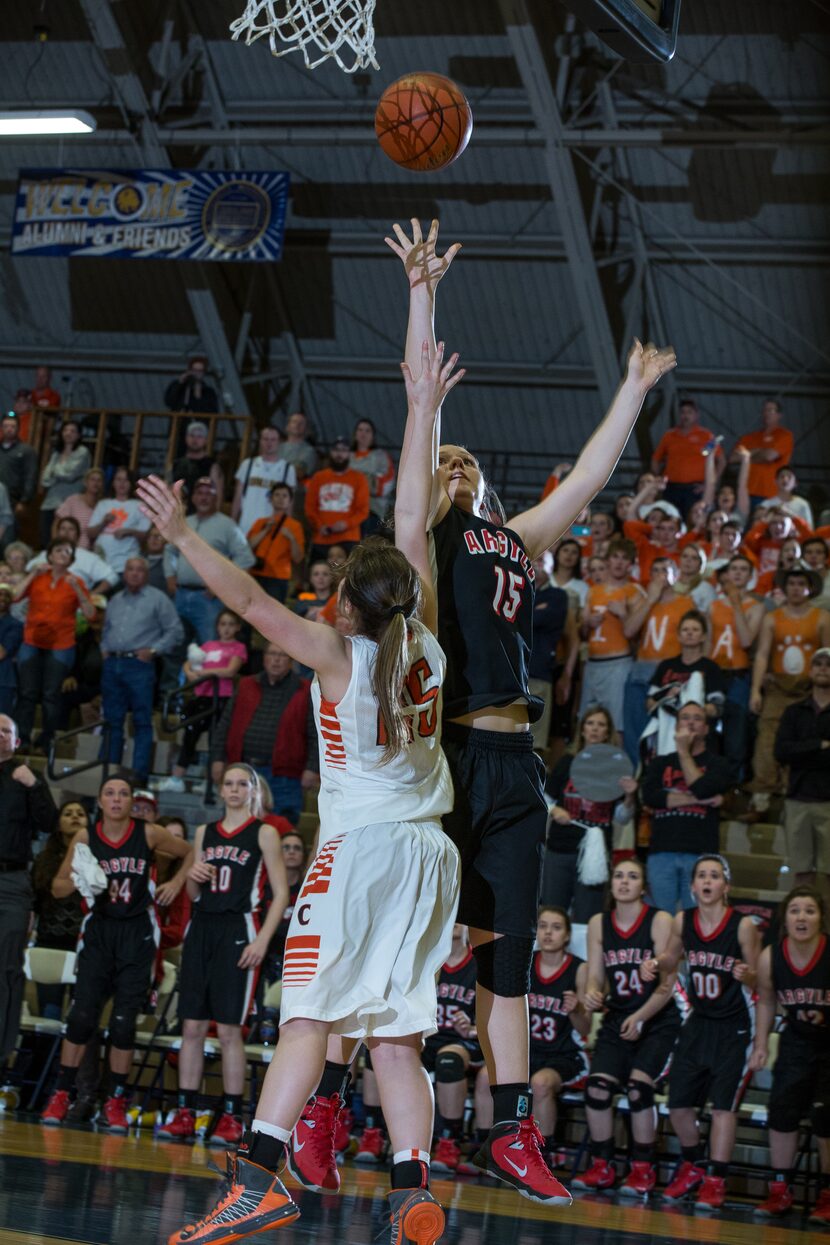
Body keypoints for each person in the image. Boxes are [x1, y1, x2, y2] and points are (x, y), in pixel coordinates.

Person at [137, 341, 463, 1245]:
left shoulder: (337, 653)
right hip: (431, 855)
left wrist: (181, 535)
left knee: (308, 1013)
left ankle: (264, 1171)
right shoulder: (424, 636)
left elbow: (249, 601)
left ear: (348, 608)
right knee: (394, 1033)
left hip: (361, 849)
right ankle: (411, 1191)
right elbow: (408, 513)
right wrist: (422, 403)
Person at [381, 216, 674, 1208]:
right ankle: (349, 1096)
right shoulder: (427, 539)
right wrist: (423, 297)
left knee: (506, 963)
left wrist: (632, 389)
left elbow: (588, 478)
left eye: (467, 463)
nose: (457, 467)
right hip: (451, 758)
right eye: (445, 465)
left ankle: (510, 1133)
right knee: (420, 951)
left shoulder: (514, 536)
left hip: (518, 772)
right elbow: (419, 416)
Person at [40, 773, 193, 1129]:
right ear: (101, 800)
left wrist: (174, 882)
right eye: (110, 793)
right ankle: (62, 1094)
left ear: (130, 801)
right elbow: (58, 888)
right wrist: (81, 879)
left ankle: (116, 1102)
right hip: (98, 933)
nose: (117, 799)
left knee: (123, 1025)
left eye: (123, 793)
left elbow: (190, 854)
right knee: (81, 1018)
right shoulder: (85, 836)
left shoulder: (148, 833)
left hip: (137, 934)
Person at [156, 763, 289, 1148]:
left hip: (239, 929)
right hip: (202, 928)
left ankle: (231, 1117)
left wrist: (262, 939)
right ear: (221, 790)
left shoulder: (264, 833)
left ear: (254, 790)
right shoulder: (204, 832)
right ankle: (185, 1112)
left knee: (230, 1030)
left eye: (241, 784)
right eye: (228, 783)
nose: (234, 790)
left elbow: (280, 893)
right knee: (192, 1027)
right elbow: (194, 895)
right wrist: (193, 881)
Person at [642, 854, 760, 1210]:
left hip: (735, 1025)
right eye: (701, 876)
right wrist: (655, 962)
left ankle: (715, 1180)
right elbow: (671, 957)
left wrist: (747, 975)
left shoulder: (743, 926)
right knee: (677, 1103)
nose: (707, 881)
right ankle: (693, 1163)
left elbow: (759, 978)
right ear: (693, 886)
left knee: (723, 1107)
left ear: (725, 886)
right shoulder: (684, 919)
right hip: (699, 1021)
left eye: (714, 875)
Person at [574, 857, 681, 1195]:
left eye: (632, 876)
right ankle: (602, 1166)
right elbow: (596, 977)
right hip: (619, 1018)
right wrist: (591, 995)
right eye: (619, 876)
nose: (624, 882)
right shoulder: (598, 923)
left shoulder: (659, 920)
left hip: (657, 1019)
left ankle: (643, 1170)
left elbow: (668, 983)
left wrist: (641, 1017)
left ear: (643, 887)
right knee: (597, 1088)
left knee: (638, 1088)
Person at [474, 906, 590, 1166]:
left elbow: (585, 1030)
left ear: (567, 936)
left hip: (564, 1054)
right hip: (526, 1051)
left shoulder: (579, 970)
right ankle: (486, 1147)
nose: (548, 933)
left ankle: (542, 1155)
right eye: (543, 926)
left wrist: (577, 1011)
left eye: (556, 927)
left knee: (540, 1084)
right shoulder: (524, 961)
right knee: (484, 1078)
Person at [749, 886, 830, 1223]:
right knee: (781, 1111)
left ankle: (827, 1195)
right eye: (795, 910)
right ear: (785, 918)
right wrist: (762, 1044)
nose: (802, 917)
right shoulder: (771, 956)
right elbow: (767, 1000)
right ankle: (780, 1190)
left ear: (821, 919)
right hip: (796, 1041)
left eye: (809, 911)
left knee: (826, 1117)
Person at [744, 567, 830, 823]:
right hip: (778, 689)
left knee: (803, 743)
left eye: (800, 583)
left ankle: (789, 799)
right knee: (767, 742)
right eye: (790, 583)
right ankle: (761, 801)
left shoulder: (822, 617)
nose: (794, 588)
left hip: (809, 690)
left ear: (809, 588)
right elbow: (762, 655)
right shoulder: (773, 617)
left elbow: (827, 654)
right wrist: (755, 689)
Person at [0, 714, 56, 1074]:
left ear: (16, 741)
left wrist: (35, 786)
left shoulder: (24, 776)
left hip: (11, 881)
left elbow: (50, 823)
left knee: (6, 969)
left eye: (6, 730)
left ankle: (1, 1057)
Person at [544, 706, 637, 920]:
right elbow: (545, 801)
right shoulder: (566, 763)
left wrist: (631, 796)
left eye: (601, 725)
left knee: (589, 917)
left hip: (596, 854)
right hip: (560, 849)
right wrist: (556, 809)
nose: (595, 729)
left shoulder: (616, 768)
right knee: (551, 912)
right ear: (582, 730)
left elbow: (622, 817)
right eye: (590, 723)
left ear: (608, 732)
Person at [210, 642, 319, 824]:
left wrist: (313, 768)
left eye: (282, 655)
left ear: (292, 661)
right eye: (272, 654)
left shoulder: (306, 690)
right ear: (264, 658)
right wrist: (217, 758)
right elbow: (225, 725)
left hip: (285, 776)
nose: (276, 660)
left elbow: (316, 734)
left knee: (282, 827)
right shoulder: (246, 685)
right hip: (243, 770)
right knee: (238, 824)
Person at [641, 702, 734, 914]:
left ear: (707, 728)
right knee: (661, 918)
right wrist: (701, 800)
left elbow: (701, 788)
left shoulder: (718, 764)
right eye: (685, 717)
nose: (690, 722)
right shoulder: (659, 763)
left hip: (700, 853)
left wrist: (683, 753)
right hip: (661, 851)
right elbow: (650, 797)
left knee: (696, 918)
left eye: (697, 718)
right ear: (676, 726)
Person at [100, 556, 184, 783]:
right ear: (124, 573)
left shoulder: (158, 599)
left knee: (142, 721)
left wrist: (154, 650)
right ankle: (107, 770)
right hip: (112, 663)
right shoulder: (115, 599)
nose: (135, 573)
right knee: (111, 720)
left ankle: (139, 775)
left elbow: (175, 631)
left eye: (140, 570)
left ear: (146, 575)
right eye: (130, 569)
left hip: (139, 665)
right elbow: (106, 629)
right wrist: (104, 648)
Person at [12, 538, 96, 753]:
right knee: (27, 693)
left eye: (67, 551)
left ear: (71, 559)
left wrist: (77, 588)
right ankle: (23, 739)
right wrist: (32, 574)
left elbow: (90, 614)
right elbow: (14, 595)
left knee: (51, 695)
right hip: (32, 640)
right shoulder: (38, 577)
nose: (62, 553)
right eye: (58, 549)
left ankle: (46, 741)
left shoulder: (76, 581)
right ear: (49, 555)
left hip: (61, 644)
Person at [157, 608, 247, 794]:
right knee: (190, 734)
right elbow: (189, 662)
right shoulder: (208, 645)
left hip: (222, 698)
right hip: (203, 696)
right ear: (217, 627)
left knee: (216, 739)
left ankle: (213, 782)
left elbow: (230, 671)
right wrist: (190, 672)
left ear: (237, 627)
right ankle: (177, 777)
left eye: (231, 624)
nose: (226, 629)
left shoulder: (238, 647)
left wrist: (203, 673)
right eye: (223, 624)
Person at [164, 477, 255, 643]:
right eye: (200, 493)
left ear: (216, 498)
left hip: (209, 600)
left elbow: (245, 559)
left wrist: (224, 585)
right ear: (193, 498)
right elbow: (169, 550)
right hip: (180, 594)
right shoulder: (184, 523)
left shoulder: (228, 525)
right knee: (174, 647)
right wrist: (170, 576)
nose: (204, 497)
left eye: (209, 494)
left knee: (209, 646)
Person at [622, 558, 688, 762]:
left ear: (675, 576)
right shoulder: (643, 601)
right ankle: (635, 776)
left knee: (665, 730)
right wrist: (650, 599)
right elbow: (629, 630)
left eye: (665, 571)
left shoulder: (686, 603)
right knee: (634, 728)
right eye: (656, 570)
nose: (660, 575)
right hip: (640, 671)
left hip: (669, 673)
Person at [774, 647, 830, 891]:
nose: (823, 669)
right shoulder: (794, 712)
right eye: (818, 663)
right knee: (801, 875)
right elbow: (782, 752)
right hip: (798, 798)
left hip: (829, 802)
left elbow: (792, 752)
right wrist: (819, 745)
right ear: (810, 670)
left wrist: (803, 752)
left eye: (828, 664)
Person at [580, 537, 644, 733]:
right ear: (608, 560)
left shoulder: (635, 592)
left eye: (624, 558)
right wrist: (587, 622)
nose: (618, 562)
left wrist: (624, 615)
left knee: (615, 725)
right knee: (587, 724)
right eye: (615, 557)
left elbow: (638, 636)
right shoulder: (593, 591)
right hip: (592, 663)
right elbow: (582, 633)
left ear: (631, 565)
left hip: (618, 664)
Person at [709, 554, 765, 778]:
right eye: (734, 569)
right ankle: (712, 780)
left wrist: (735, 603)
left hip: (738, 675)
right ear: (728, 574)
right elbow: (707, 643)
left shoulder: (756, 606)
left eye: (744, 569)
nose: (738, 573)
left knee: (737, 734)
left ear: (751, 576)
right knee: (710, 730)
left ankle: (734, 785)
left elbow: (746, 640)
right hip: (714, 673)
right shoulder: (713, 606)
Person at [31, 801, 88, 1017]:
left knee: (79, 1016)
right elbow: (33, 904)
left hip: (85, 947)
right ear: (58, 823)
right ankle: (43, 1052)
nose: (75, 817)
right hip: (49, 945)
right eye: (68, 813)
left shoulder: (97, 859)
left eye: (81, 813)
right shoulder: (44, 860)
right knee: (49, 1013)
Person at [527, 549, 575, 750]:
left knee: (535, 741)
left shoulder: (558, 596)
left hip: (539, 671)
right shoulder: (519, 589)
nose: (537, 563)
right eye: (534, 559)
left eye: (542, 560)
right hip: (512, 672)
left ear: (551, 567)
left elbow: (529, 619)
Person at [304, 435, 370, 562]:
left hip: (348, 538)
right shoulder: (318, 477)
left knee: (349, 577)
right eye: (336, 450)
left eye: (344, 450)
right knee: (317, 575)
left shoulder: (359, 478)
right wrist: (319, 525)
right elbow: (309, 507)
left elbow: (363, 510)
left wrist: (346, 524)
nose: (339, 454)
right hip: (322, 537)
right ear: (330, 452)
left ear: (350, 454)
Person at [650, 398, 719, 518]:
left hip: (695, 489)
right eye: (683, 412)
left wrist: (709, 484)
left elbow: (721, 461)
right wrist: (658, 478)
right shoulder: (669, 436)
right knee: (669, 518)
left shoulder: (706, 436)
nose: (685, 416)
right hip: (671, 488)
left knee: (693, 519)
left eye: (689, 412)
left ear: (696, 415)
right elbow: (655, 460)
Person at [87, 466, 151, 580]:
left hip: (125, 565)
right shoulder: (103, 504)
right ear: (113, 483)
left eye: (126, 480)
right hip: (101, 562)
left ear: (131, 483)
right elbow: (91, 533)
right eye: (118, 479)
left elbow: (146, 535)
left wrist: (129, 531)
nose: (122, 483)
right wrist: (103, 522)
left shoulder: (140, 505)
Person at [232, 426, 298, 535]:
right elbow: (238, 497)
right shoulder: (247, 464)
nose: (269, 443)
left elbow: (289, 503)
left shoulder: (288, 469)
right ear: (260, 441)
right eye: (265, 439)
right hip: (246, 525)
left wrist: (287, 526)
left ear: (279, 442)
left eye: (273, 440)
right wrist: (233, 521)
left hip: (270, 528)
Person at [247, 483, 305, 603]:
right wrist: (265, 530)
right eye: (277, 495)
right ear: (270, 498)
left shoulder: (295, 526)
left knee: (272, 616)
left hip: (278, 577)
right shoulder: (260, 522)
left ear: (289, 501)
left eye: (285, 496)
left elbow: (298, 558)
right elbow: (247, 547)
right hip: (256, 572)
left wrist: (291, 538)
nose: (280, 499)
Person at [730, 400, 794, 509]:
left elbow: (769, 456)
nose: (767, 413)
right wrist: (758, 452)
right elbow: (732, 458)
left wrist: (748, 455)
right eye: (765, 410)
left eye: (771, 410)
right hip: (747, 492)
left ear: (779, 415)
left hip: (772, 494)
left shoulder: (784, 435)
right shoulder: (749, 438)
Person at [27, 518, 118, 594]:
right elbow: (28, 568)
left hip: (75, 605)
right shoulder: (46, 554)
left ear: (77, 535)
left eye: (71, 529)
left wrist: (91, 596)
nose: (66, 532)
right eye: (63, 528)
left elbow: (112, 576)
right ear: (58, 533)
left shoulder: (88, 557)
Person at [39, 420, 91, 549]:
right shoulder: (56, 453)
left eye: (72, 431)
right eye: (65, 430)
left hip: (69, 502)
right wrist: (58, 473)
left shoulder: (82, 452)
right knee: (45, 539)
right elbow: (45, 479)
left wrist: (54, 472)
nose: (68, 433)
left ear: (79, 435)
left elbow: (70, 475)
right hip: (50, 501)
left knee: (65, 540)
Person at [350, 417, 396, 536]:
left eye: (367, 430)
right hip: (346, 511)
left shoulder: (381, 456)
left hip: (372, 511)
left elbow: (386, 484)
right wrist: (366, 479)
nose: (363, 434)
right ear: (355, 434)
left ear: (373, 435)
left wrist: (354, 481)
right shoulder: (345, 456)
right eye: (360, 430)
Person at [0, 414, 38, 544]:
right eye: (6, 426)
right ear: (1, 428)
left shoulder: (27, 450)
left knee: (7, 539)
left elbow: (30, 476)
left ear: (18, 429)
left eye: (13, 426)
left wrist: (24, 501)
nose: (9, 429)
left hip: (13, 501)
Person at [170, 421, 224, 508]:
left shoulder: (212, 466)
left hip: (202, 516)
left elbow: (218, 497)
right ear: (186, 438)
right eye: (192, 436)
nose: (195, 440)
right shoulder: (176, 464)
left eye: (199, 436)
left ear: (206, 440)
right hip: (179, 514)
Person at [54, 467, 106, 549]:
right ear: (85, 482)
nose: (95, 483)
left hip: (91, 552)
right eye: (92, 480)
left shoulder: (104, 506)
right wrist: (55, 545)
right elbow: (57, 523)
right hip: (70, 549)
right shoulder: (73, 500)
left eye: (99, 480)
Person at [0, 584, 23, 716]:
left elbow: (1, 653)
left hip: (3, 680)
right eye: (0, 594)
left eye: (6, 595)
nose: (2, 598)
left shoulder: (16, 625)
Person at [276, 411, 318, 482]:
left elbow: (297, 473)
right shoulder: (277, 448)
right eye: (294, 422)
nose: (297, 425)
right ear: (287, 427)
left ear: (306, 430)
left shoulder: (309, 451)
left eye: (301, 423)